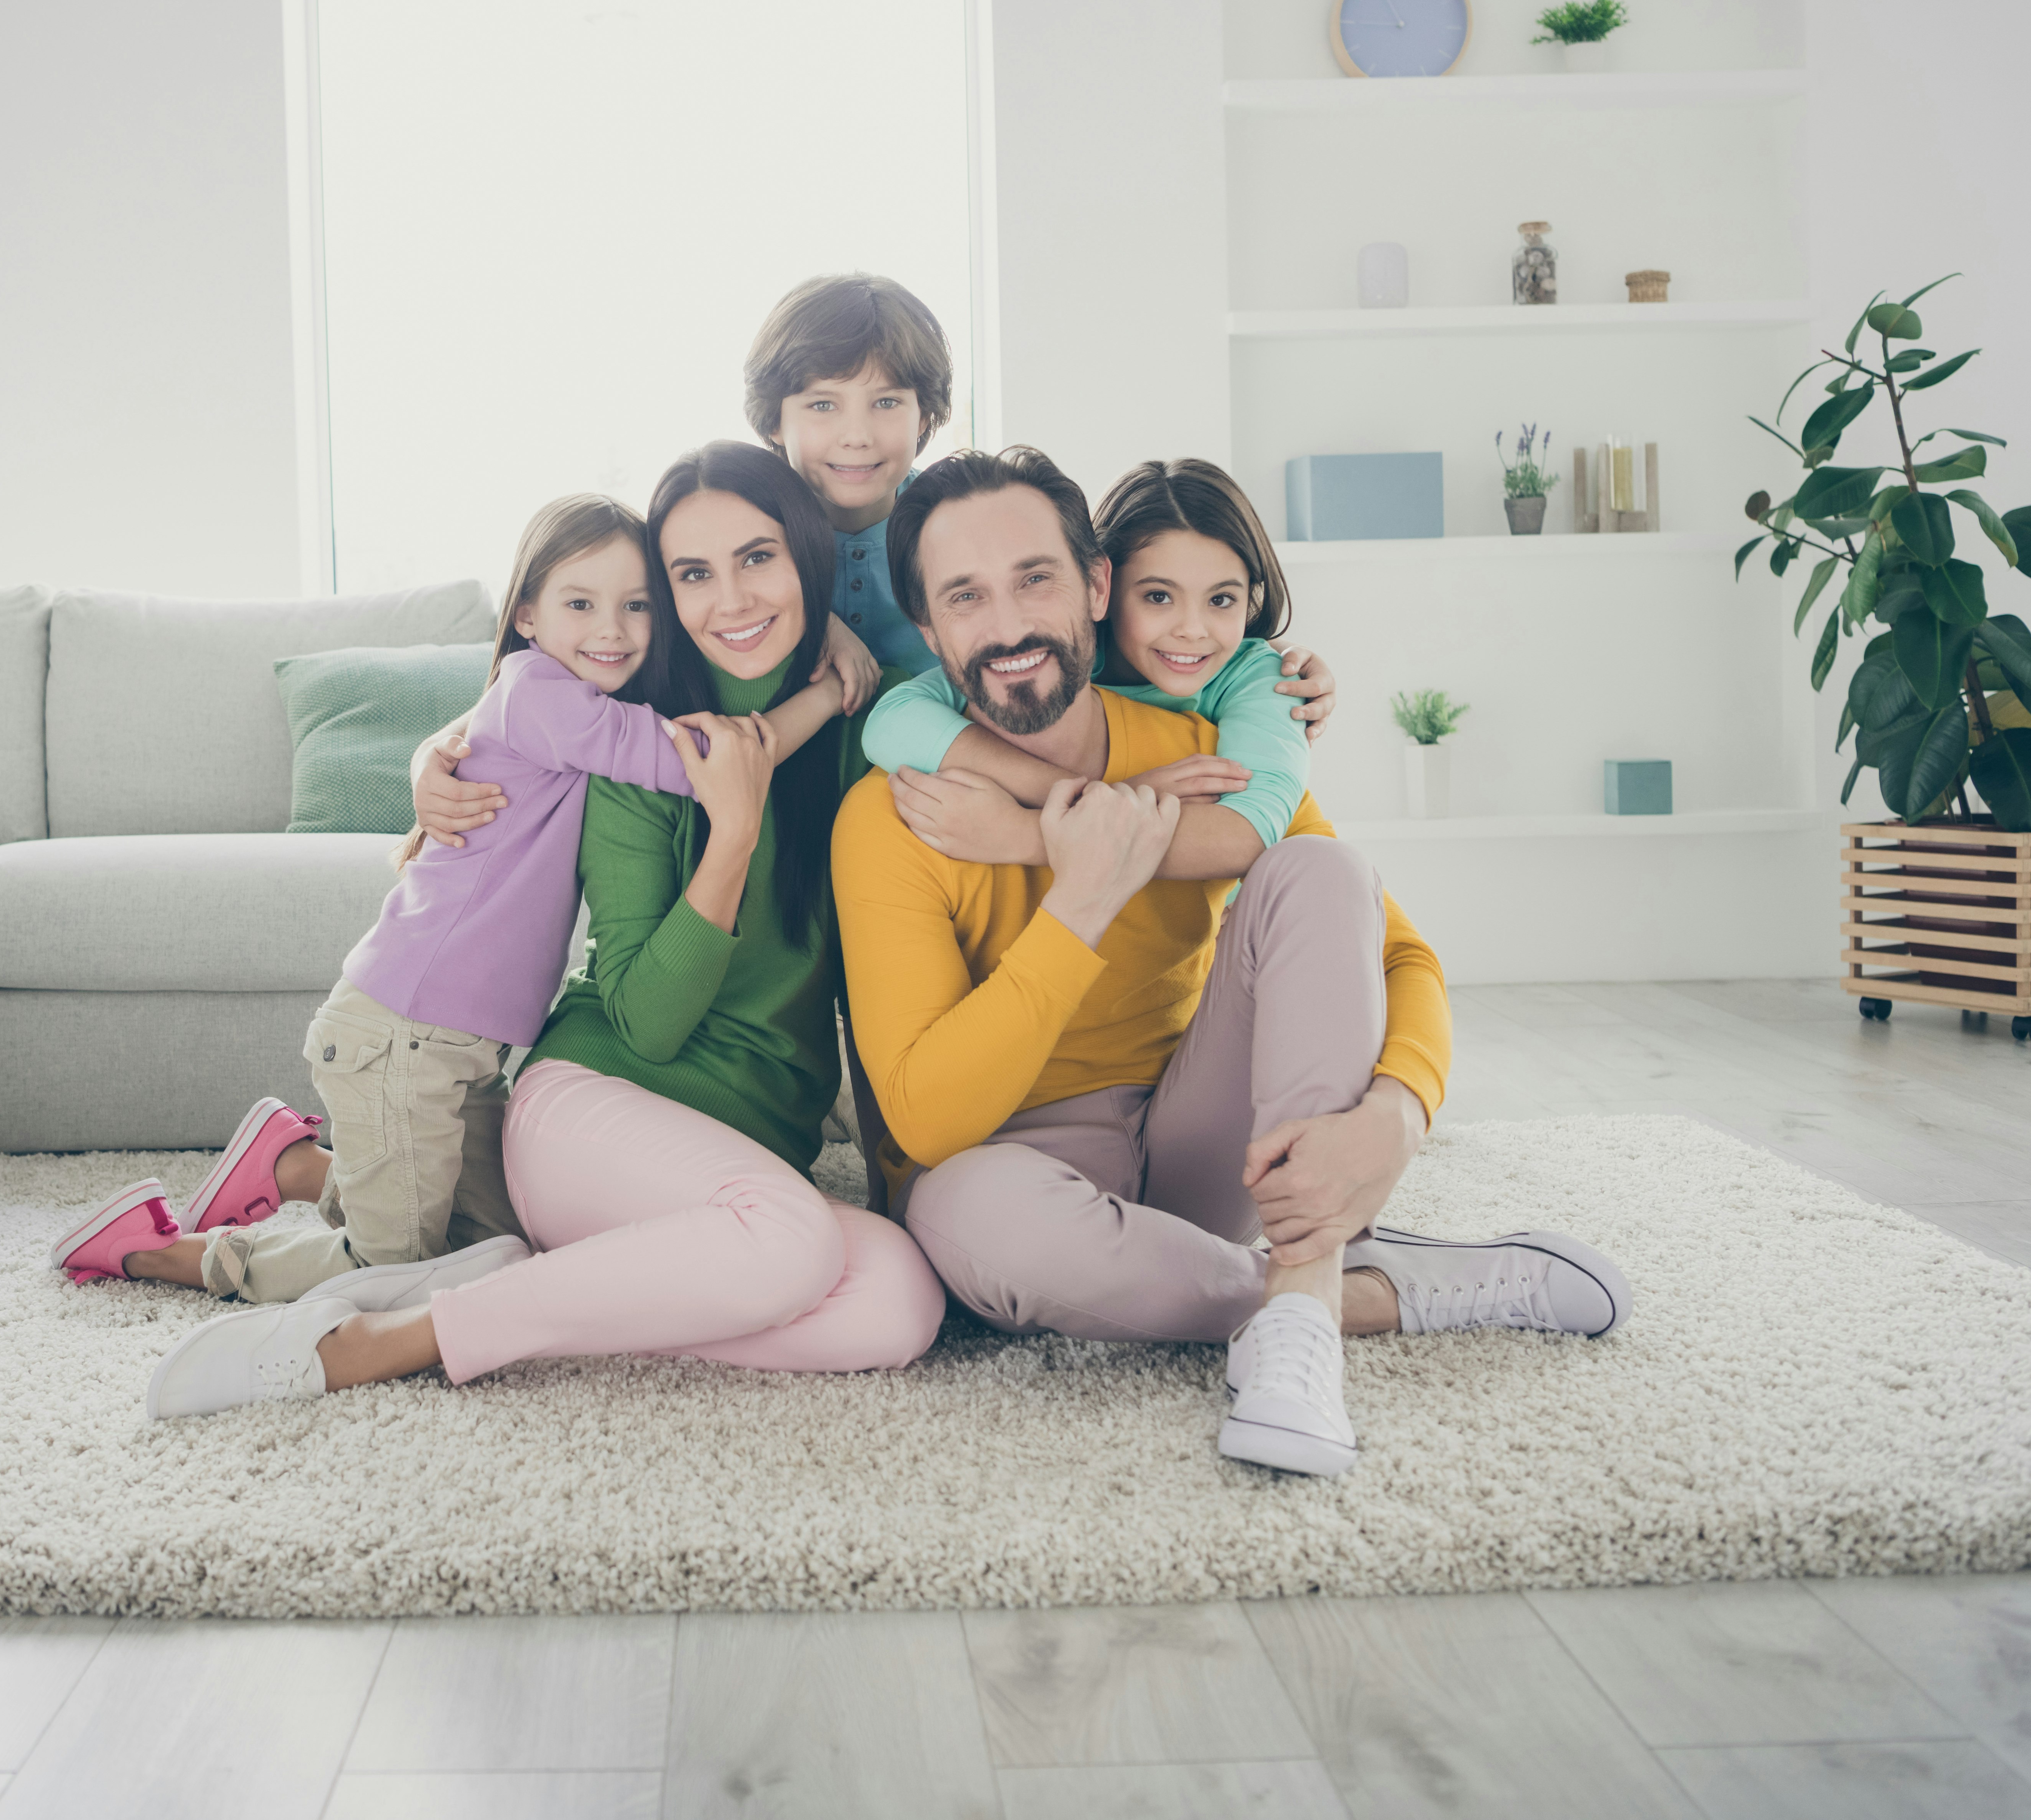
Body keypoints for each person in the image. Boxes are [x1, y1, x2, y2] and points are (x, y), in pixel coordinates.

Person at [832, 447, 1629, 1478]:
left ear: (1096, 585)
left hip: (1196, 1150)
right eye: (966, 596)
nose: (1012, 622)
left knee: (1321, 866)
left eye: (1037, 578)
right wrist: (1081, 894)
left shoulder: (1212, 748)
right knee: (954, 1211)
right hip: (1014, 1180)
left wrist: (1395, 1114)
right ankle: (1343, 1290)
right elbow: (931, 1122)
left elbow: (1395, 949)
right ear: (930, 630)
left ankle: (1295, 1309)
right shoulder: (898, 811)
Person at [140, 443, 944, 1418]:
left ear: (810, 564)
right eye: (692, 574)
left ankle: (546, 1294)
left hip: (734, 1157)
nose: (729, 597)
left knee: (898, 1301)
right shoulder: (637, 744)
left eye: (758, 560)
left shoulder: (872, 735)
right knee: (800, 1245)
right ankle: (380, 1341)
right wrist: (730, 838)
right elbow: (647, 1023)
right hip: (596, 1108)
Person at [45, 493, 844, 1306]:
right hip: (404, 1035)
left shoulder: (565, 700)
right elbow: (703, 764)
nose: (613, 629)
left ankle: (290, 1163)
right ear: (526, 613)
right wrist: (830, 690)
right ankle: (159, 1254)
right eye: (581, 603)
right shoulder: (541, 695)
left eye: (638, 605)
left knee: (499, 1245)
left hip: (461, 1044)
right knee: (388, 1272)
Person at [407, 274, 1340, 851]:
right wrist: (435, 750)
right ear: (772, 418)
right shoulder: (728, 540)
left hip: (941, 826)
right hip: (759, 827)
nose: (855, 437)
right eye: (821, 405)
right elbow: (587, 645)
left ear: (928, 414)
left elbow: (1109, 629)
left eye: (886, 402)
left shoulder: (958, 534)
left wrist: (1266, 668)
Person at [863, 457, 1310, 856]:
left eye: (1221, 600)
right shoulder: (1061, 659)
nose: (1191, 629)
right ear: (1103, 590)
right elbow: (892, 722)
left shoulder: (1266, 680)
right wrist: (1101, 797)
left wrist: (1027, 833)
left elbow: (1246, 833)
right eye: (1157, 596)